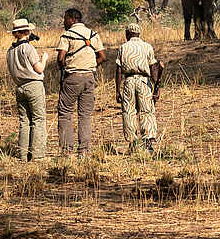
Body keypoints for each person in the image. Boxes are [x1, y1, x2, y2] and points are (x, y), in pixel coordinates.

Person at [56, 8, 105, 158]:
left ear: (72, 19)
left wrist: (66, 68)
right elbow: (102, 56)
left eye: (65, 19)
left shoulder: (67, 35)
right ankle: (83, 151)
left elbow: (60, 58)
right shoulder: (93, 34)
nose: (64, 22)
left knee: (65, 113)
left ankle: (67, 150)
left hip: (72, 77)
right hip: (89, 77)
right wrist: (90, 65)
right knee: (85, 115)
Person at [115, 22, 163, 153]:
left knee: (129, 112)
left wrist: (117, 90)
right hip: (144, 81)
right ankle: (147, 142)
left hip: (129, 81)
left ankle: (133, 143)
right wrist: (155, 86)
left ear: (127, 34)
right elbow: (153, 67)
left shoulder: (123, 47)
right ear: (138, 33)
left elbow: (118, 70)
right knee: (147, 111)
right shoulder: (147, 46)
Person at [6, 18, 48, 161]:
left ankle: (23, 155)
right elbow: (39, 68)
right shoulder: (28, 48)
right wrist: (44, 59)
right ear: (27, 31)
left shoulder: (10, 50)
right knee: (38, 119)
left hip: (19, 87)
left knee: (24, 121)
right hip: (33, 85)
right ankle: (38, 155)